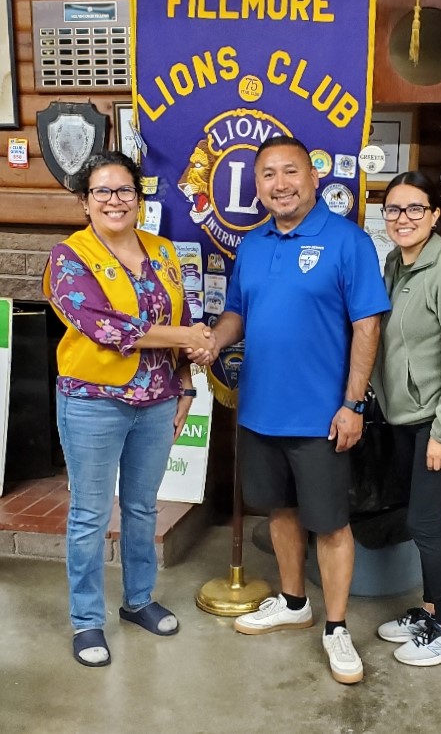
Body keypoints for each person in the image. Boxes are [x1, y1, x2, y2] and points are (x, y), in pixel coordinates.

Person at [192, 136, 390, 684]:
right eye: (268, 176)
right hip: (260, 411)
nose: (280, 184)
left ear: (314, 178)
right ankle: (295, 603)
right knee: (279, 510)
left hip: (322, 417)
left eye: (290, 172)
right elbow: (237, 313)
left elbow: (367, 325)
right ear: (257, 188)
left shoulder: (348, 242)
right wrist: (214, 339)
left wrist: (352, 404)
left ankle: (336, 627)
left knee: (330, 523)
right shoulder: (252, 246)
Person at [43, 150, 212, 667]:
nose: (115, 200)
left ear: (139, 200)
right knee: (91, 515)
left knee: (142, 508)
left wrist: (185, 384)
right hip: (93, 402)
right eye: (103, 192)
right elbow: (106, 327)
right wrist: (185, 335)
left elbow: (183, 318)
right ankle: (86, 621)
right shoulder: (68, 257)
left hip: (157, 403)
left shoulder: (162, 251)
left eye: (125, 191)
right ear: (84, 203)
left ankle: (138, 599)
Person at [372, 170, 441, 667]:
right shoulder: (395, 264)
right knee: (418, 517)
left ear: (435, 215)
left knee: (424, 523)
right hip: (405, 417)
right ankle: (430, 610)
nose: (403, 218)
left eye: (415, 209)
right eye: (393, 209)